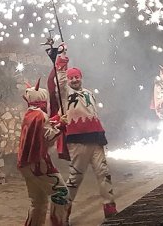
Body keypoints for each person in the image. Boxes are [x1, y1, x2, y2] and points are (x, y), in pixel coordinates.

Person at [48, 43, 117, 219]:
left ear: (81, 78)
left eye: (77, 77)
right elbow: (60, 79)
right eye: (72, 78)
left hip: (96, 139)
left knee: (104, 173)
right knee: (75, 178)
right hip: (77, 141)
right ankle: (62, 214)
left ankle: (110, 207)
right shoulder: (65, 93)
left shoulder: (89, 93)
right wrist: (62, 57)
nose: (74, 80)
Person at [17, 78, 71, 226]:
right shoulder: (40, 116)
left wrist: (57, 119)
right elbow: (48, 136)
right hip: (39, 165)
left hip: (26, 164)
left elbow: (44, 127)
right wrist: (61, 125)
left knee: (38, 202)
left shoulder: (30, 114)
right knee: (61, 194)